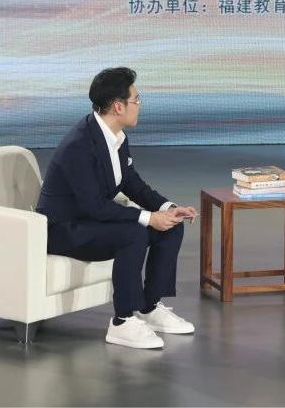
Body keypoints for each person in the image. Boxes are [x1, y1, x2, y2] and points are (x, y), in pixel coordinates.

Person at [36, 67, 198, 349]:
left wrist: (168, 207)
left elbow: (131, 182)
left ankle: (149, 307)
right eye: (137, 99)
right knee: (134, 233)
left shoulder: (117, 136)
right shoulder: (79, 145)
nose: (140, 105)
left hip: (91, 221)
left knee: (171, 226)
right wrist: (149, 218)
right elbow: (94, 206)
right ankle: (122, 322)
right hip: (64, 230)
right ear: (118, 106)